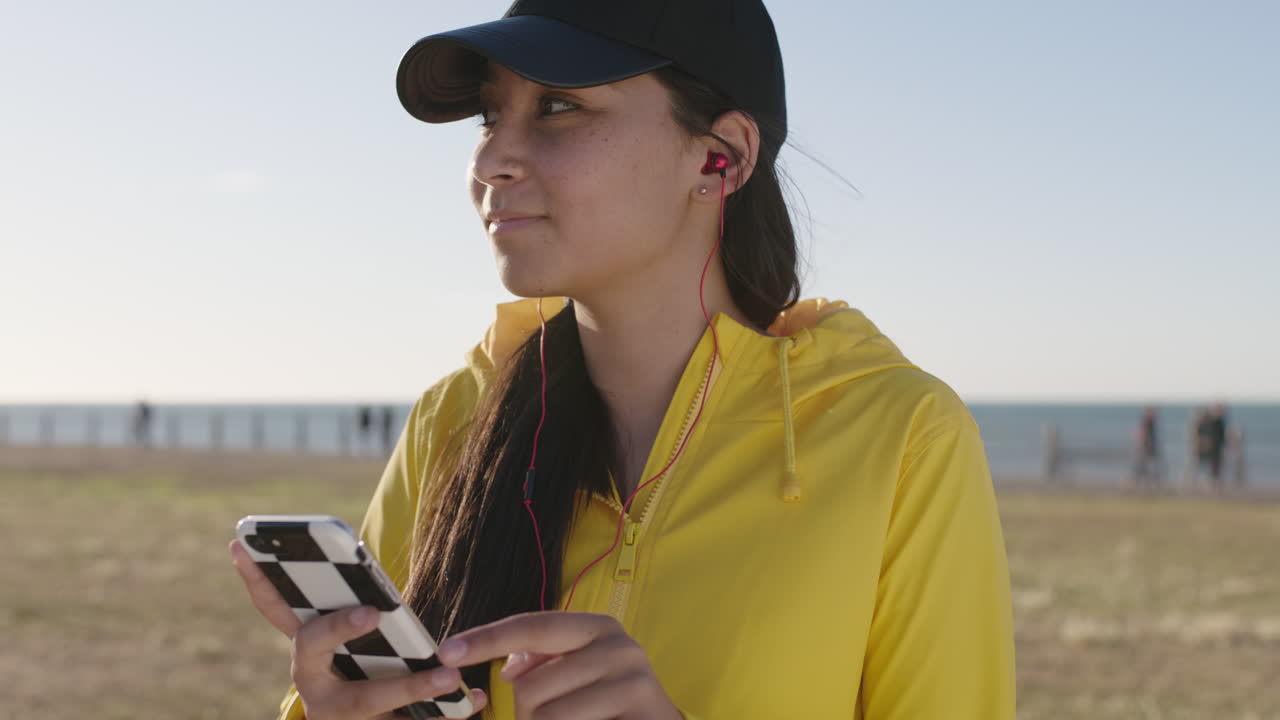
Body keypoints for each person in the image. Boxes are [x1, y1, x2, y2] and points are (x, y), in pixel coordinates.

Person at [229, 2, 1016, 718]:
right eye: (488, 116)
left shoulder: (901, 435)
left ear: (721, 158)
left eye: (559, 107)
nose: (493, 160)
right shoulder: (455, 417)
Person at [1196, 402, 1228, 491]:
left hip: (1217, 449)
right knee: (1211, 468)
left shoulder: (1220, 421)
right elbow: (1207, 435)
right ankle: (1210, 485)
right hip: (1212, 449)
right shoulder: (1212, 421)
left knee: (1216, 469)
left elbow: (1221, 437)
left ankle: (1214, 485)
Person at [1132, 405, 1163, 488]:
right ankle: (1140, 484)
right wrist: (1143, 445)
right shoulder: (1146, 421)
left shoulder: (1152, 422)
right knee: (1141, 467)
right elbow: (1141, 434)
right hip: (1145, 448)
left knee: (1148, 467)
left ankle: (1149, 483)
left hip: (1150, 448)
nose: (1155, 414)